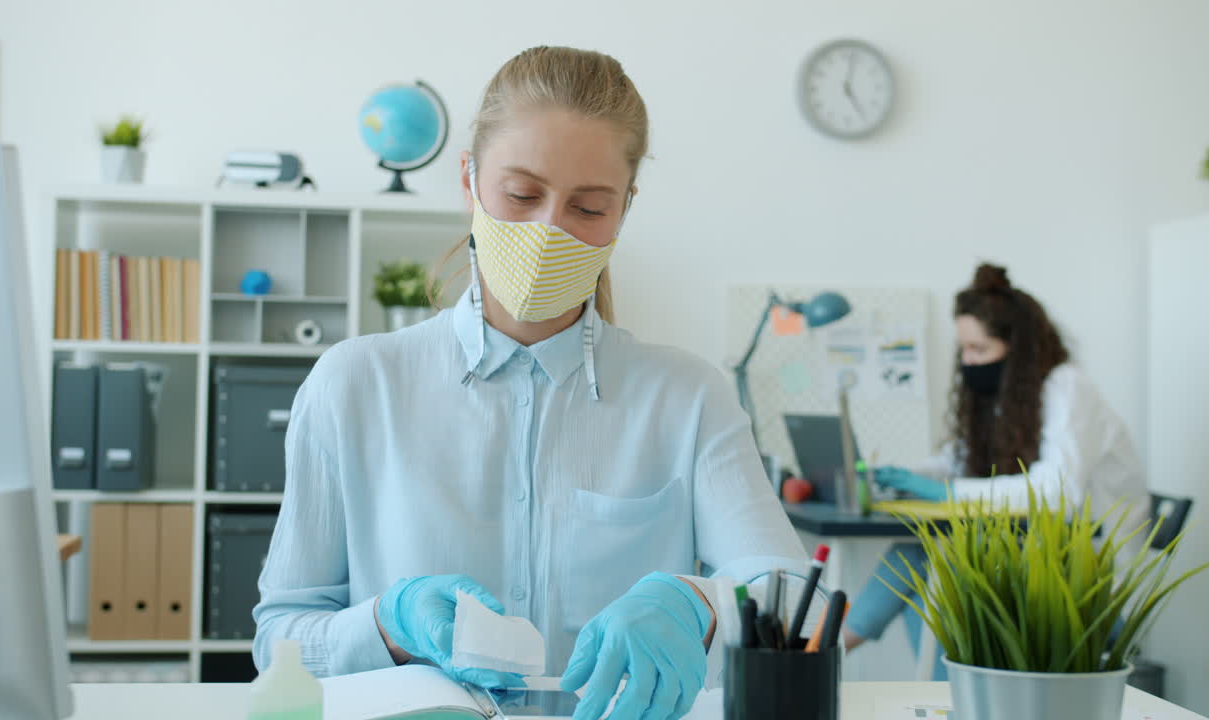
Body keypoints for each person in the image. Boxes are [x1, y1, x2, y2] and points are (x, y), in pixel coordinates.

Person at [252, 46, 806, 720]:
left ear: (625, 209)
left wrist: (700, 606)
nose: (549, 231)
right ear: (469, 182)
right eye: (521, 195)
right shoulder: (354, 386)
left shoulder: (688, 397)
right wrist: (388, 626)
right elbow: (279, 641)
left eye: (589, 208)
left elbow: (790, 596)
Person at [842, 263, 1149, 672]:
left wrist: (949, 493)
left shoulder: (1068, 388)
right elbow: (956, 459)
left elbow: (1058, 490)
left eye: (980, 350)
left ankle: (832, 649)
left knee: (930, 559)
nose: (969, 361)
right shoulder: (1005, 398)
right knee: (927, 563)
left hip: (1087, 575)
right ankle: (862, 660)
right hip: (1032, 550)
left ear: (1019, 350)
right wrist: (909, 477)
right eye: (964, 350)